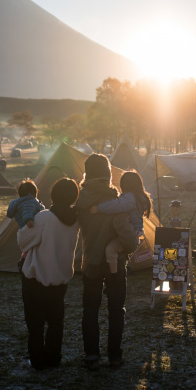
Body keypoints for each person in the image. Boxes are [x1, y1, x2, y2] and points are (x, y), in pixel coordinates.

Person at [76, 154, 138, 370]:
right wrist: (131, 244)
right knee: (115, 310)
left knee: (90, 310)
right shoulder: (115, 201)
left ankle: (91, 356)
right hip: (115, 264)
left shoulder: (81, 201)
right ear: (108, 174)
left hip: (90, 262)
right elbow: (127, 238)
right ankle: (114, 356)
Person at [16, 177, 80, 371]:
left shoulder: (44, 217)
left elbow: (23, 241)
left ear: (52, 196)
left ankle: (37, 361)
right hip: (60, 279)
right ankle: (53, 358)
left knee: (35, 324)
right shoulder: (76, 220)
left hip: (36, 279)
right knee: (55, 323)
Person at [90, 170, 153, 274]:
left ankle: (114, 275)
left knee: (110, 250)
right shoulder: (139, 197)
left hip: (130, 234)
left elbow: (116, 205)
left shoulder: (130, 198)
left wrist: (99, 208)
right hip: (135, 232)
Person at [8, 180, 46, 266]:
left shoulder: (21, 203)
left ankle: (25, 261)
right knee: (32, 249)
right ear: (32, 193)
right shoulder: (29, 202)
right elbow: (27, 213)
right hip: (31, 229)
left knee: (29, 249)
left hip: (24, 230)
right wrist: (30, 222)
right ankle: (25, 263)